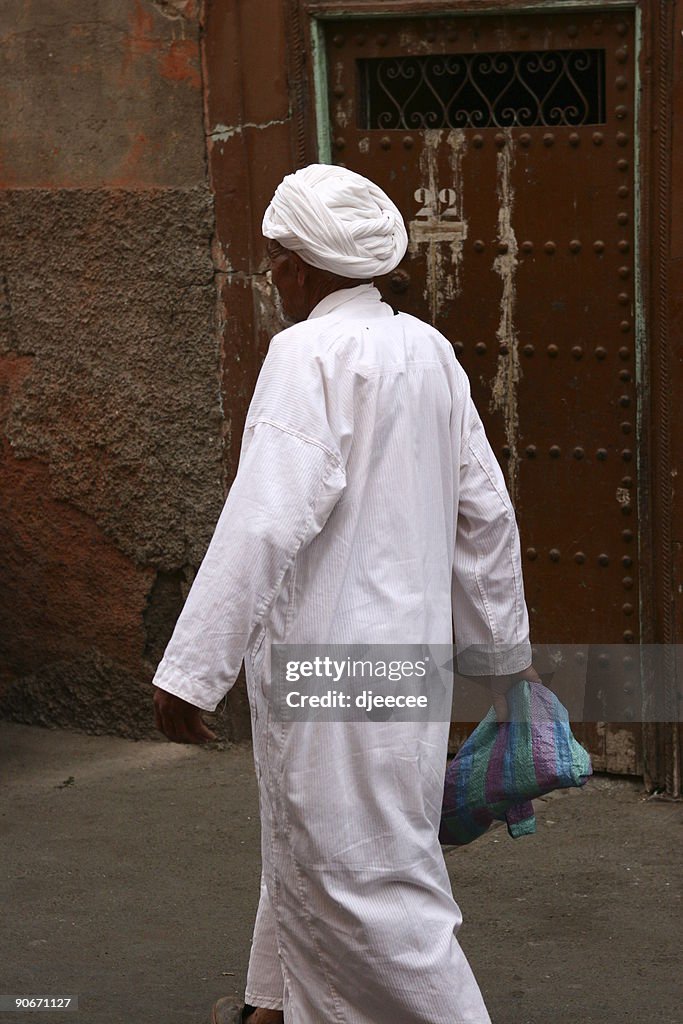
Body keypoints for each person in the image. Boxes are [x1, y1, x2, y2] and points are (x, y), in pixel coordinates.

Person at [153, 164, 537, 1024]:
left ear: (298, 265)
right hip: (409, 670)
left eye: (274, 261)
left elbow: (262, 521)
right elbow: (485, 511)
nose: (272, 276)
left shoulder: (305, 354)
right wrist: (500, 656)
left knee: (368, 883)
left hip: (329, 671)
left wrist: (190, 670)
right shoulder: (427, 350)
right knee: (325, 845)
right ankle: (272, 1008)